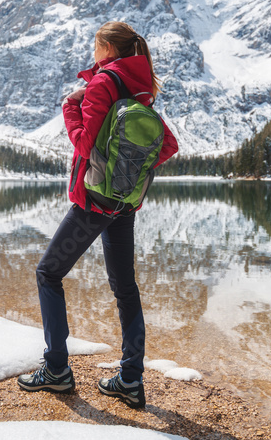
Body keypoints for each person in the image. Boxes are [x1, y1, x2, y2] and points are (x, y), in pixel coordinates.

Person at [17, 21, 179, 409]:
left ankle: (56, 369)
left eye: (95, 45)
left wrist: (70, 108)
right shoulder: (141, 87)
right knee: (126, 288)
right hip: (124, 204)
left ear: (107, 47)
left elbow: (84, 142)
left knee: (48, 273)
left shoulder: (105, 82)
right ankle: (130, 379)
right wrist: (128, 174)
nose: (93, 52)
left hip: (95, 201)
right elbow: (167, 144)